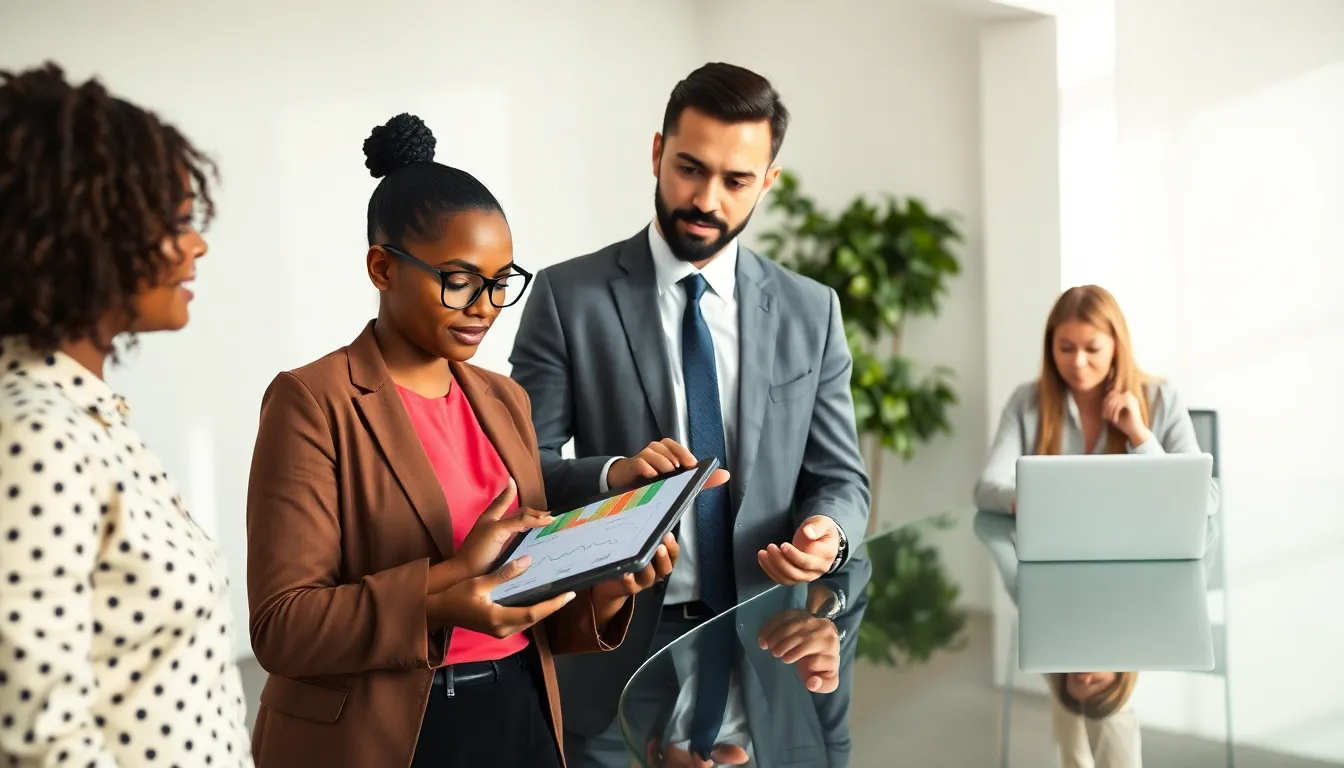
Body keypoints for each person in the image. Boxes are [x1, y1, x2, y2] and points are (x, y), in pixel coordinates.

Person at [244, 114, 682, 768]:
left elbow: (523, 597)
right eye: (459, 279)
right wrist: (446, 584)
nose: (485, 304)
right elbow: (283, 627)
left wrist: (611, 588)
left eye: (502, 281)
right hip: (388, 734)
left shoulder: (504, 399)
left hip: (519, 713)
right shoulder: (312, 402)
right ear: (382, 268)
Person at [509, 62, 871, 766]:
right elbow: (520, 478)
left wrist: (828, 534)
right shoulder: (567, 298)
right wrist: (613, 477)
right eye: (689, 168)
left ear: (767, 182)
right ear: (656, 152)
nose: (706, 198)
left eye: (736, 181)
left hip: (773, 645)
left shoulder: (811, 311)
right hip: (611, 657)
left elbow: (842, 479)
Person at [0, 64, 252, 765]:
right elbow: (42, 743)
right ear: (85, 233)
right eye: (176, 223)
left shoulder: (87, 415)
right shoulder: (32, 435)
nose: (197, 245)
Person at [974, 284, 1219, 515]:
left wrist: (1139, 435)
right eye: (1066, 348)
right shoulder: (1026, 401)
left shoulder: (1161, 398)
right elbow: (987, 488)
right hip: (1055, 549)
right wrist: (1033, 506)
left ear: (1115, 346)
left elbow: (1205, 499)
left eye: (1093, 349)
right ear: (1051, 348)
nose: (1079, 362)